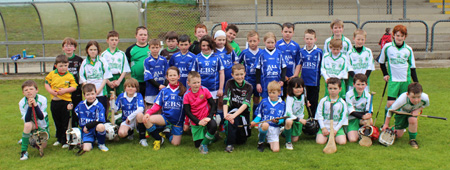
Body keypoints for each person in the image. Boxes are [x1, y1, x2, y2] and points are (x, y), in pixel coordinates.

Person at [142, 67, 187, 150]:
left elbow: (187, 108)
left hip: (178, 121)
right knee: (146, 119)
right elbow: (157, 105)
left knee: (175, 144)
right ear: (167, 77)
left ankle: (167, 133)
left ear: (179, 76)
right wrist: (148, 113)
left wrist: (186, 121)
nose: (172, 77)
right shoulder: (164, 91)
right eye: (170, 75)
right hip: (165, 118)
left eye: (174, 75)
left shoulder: (183, 91)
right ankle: (159, 138)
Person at [378, 24, 418, 116]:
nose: (399, 38)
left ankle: (400, 126)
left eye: (402, 36)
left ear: (405, 36)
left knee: (404, 104)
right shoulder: (387, 47)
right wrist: (385, 74)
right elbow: (382, 62)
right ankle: (385, 125)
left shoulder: (408, 49)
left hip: (405, 81)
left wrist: (416, 82)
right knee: (390, 104)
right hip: (393, 80)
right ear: (393, 35)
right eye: (397, 35)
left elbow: (412, 67)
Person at [382, 82, 429, 149]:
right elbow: (390, 111)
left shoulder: (425, 97)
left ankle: (412, 140)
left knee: (412, 120)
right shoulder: (402, 100)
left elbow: (425, 105)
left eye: (418, 97)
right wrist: (386, 124)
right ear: (407, 94)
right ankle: (393, 129)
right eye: (413, 97)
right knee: (398, 135)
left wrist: (417, 110)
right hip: (401, 112)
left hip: (414, 112)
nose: (416, 100)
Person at [45, 55, 77, 148]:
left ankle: (66, 140)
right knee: (57, 121)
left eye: (65, 65)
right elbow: (47, 83)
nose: (63, 68)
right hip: (55, 102)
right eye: (61, 66)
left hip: (65, 102)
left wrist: (65, 91)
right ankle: (59, 139)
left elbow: (74, 87)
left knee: (65, 121)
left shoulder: (69, 75)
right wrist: (51, 91)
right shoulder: (52, 74)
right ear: (56, 66)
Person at [183, 71, 218, 154]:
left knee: (213, 125)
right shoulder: (186, 95)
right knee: (196, 144)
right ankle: (212, 137)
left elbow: (213, 104)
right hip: (196, 121)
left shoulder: (205, 90)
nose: (197, 85)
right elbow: (187, 112)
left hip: (206, 117)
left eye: (198, 82)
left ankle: (204, 145)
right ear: (188, 83)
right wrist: (198, 122)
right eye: (194, 83)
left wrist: (209, 117)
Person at [79, 41, 113, 121]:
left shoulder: (102, 61)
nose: (93, 51)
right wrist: (88, 89)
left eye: (95, 49)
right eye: (91, 49)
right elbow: (82, 76)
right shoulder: (84, 62)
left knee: (102, 112)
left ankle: (102, 129)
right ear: (87, 50)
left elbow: (106, 76)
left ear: (98, 50)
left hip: (100, 91)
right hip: (90, 93)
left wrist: (99, 89)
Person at [223, 64, 253, 152]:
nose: (239, 77)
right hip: (232, 111)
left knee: (241, 141)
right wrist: (226, 115)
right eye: (237, 74)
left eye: (241, 74)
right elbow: (226, 99)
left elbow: (245, 104)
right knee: (230, 121)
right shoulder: (229, 83)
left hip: (243, 113)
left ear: (245, 74)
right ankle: (229, 144)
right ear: (232, 75)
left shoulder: (249, 86)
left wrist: (234, 115)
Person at [294, 29, 323, 117]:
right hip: (304, 82)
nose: (309, 41)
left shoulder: (319, 52)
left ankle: (313, 118)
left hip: (314, 82)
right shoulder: (301, 52)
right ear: (304, 39)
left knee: (313, 102)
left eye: (311, 39)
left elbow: (322, 66)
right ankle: (304, 117)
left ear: (315, 39)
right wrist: (296, 75)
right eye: (307, 39)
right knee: (306, 101)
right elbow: (299, 64)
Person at [251, 81, 286, 152]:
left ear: (279, 93)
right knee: (265, 125)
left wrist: (278, 121)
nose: (271, 95)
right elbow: (259, 115)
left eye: (274, 93)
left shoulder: (283, 104)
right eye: (269, 93)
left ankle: (269, 141)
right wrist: (254, 122)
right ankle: (261, 142)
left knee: (276, 150)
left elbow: (283, 118)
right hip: (264, 125)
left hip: (275, 128)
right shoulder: (264, 101)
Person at [19, 80, 50, 160]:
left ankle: (27, 138)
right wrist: (29, 107)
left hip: (41, 125)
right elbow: (27, 119)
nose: (29, 91)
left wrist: (35, 105)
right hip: (31, 124)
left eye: (31, 89)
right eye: (26, 90)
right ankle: (24, 152)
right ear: (23, 93)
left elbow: (41, 117)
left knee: (43, 146)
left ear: (37, 90)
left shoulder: (42, 99)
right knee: (27, 125)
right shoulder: (22, 103)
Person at [73, 83, 109, 152]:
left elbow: (100, 120)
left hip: (95, 128)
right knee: (86, 149)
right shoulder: (81, 105)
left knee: (101, 126)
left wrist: (87, 126)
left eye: (92, 94)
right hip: (86, 131)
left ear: (96, 94)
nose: (90, 96)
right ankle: (91, 141)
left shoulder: (99, 106)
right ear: (84, 95)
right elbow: (75, 116)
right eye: (88, 94)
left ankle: (101, 143)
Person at [191, 35, 224, 104]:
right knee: (201, 106)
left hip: (214, 89)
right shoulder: (197, 58)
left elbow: (221, 73)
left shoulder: (217, 57)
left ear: (211, 45)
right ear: (200, 46)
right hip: (200, 88)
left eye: (208, 45)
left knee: (213, 107)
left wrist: (220, 88)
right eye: (203, 45)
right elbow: (193, 74)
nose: (205, 48)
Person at [112, 78, 145, 145]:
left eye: (133, 87)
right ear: (125, 88)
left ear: (136, 88)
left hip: (136, 120)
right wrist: (112, 101)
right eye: (128, 86)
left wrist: (130, 117)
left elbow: (141, 109)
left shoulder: (138, 95)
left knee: (140, 115)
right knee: (121, 134)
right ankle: (130, 131)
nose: (130, 89)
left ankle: (142, 138)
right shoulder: (121, 96)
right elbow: (115, 110)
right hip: (126, 121)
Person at [315, 77, 348, 145]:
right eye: (330, 88)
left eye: (335, 88)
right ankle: (326, 135)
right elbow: (319, 115)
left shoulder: (342, 103)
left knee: (342, 142)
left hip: (336, 128)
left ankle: (334, 136)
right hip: (325, 126)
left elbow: (343, 118)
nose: (332, 90)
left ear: (340, 89)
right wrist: (323, 128)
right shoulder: (323, 101)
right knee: (320, 142)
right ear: (327, 89)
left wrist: (335, 130)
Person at [214, 30, 237, 125]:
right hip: (219, 80)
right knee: (220, 101)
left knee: (230, 100)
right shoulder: (213, 51)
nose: (221, 42)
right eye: (219, 40)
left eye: (223, 40)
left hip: (229, 80)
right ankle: (220, 122)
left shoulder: (229, 50)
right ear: (214, 40)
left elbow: (236, 63)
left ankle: (229, 119)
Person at [238, 30, 263, 117]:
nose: (252, 43)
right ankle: (245, 117)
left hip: (258, 81)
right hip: (247, 80)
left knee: (256, 99)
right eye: (250, 41)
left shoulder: (262, 53)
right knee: (245, 100)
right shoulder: (244, 52)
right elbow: (237, 63)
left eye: (254, 41)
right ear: (247, 41)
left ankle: (255, 119)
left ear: (258, 41)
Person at [255, 32, 287, 99]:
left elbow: (284, 67)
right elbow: (258, 70)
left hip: (277, 83)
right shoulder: (261, 54)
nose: (270, 44)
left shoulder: (279, 53)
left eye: (272, 42)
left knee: (277, 103)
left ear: (275, 42)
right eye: (268, 42)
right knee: (266, 103)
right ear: (264, 42)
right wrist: (258, 83)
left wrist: (282, 80)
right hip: (265, 84)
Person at [101, 30, 131, 98]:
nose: (114, 42)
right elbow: (102, 70)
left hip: (119, 77)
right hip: (108, 78)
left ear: (118, 41)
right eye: (112, 40)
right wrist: (108, 82)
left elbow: (124, 69)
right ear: (107, 41)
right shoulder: (104, 54)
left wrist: (119, 81)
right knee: (108, 98)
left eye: (116, 40)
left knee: (122, 97)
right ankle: (107, 109)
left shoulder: (122, 54)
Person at [61, 37, 83, 127]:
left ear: (74, 47)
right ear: (63, 48)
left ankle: (75, 127)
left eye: (71, 45)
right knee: (64, 110)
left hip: (76, 90)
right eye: (66, 46)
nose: (68, 48)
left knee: (76, 109)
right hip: (63, 91)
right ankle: (64, 128)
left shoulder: (79, 60)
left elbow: (82, 74)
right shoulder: (60, 60)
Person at [276, 22, 301, 99]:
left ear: (293, 33)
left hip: (292, 77)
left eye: (290, 32)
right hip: (281, 77)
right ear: (282, 32)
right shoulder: (277, 44)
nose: (287, 34)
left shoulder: (296, 46)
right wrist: (283, 76)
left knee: (292, 98)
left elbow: (298, 62)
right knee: (281, 98)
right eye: (285, 31)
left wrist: (295, 76)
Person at [345, 74, 372, 143]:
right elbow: (351, 112)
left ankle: (363, 132)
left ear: (366, 84)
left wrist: (368, 115)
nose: (360, 87)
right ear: (354, 84)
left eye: (363, 84)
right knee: (353, 140)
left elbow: (369, 110)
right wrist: (363, 116)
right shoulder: (349, 94)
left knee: (370, 120)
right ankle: (348, 129)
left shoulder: (368, 95)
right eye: (358, 84)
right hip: (351, 119)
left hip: (361, 119)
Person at [283, 77, 308, 150]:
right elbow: (288, 113)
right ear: (291, 88)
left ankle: (284, 131)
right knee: (288, 121)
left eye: (300, 87)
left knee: (295, 139)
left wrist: (307, 103)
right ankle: (288, 142)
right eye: (295, 88)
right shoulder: (290, 98)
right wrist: (299, 119)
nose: (298, 90)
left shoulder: (303, 95)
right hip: (292, 118)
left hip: (299, 118)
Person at [144, 39, 169, 110]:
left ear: (160, 48)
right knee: (150, 107)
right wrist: (159, 85)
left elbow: (167, 74)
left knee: (160, 107)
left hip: (162, 88)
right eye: (153, 47)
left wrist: (164, 85)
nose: (155, 50)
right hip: (151, 89)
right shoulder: (147, 61)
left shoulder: (163, 60)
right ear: (149, 48)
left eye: (157, 47)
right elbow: (148, 77)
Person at [126, 26, 149, 96]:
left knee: (148, 102)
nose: (143, 37)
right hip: (136, 81)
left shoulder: (151, 48)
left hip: (149, 81)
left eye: (145, 35)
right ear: (136, 36)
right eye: (141, 35)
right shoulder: (130, 49)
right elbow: (126, 64)